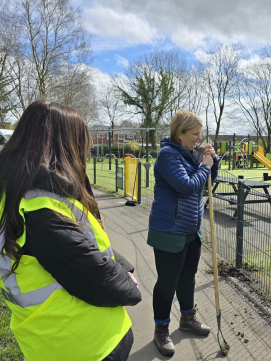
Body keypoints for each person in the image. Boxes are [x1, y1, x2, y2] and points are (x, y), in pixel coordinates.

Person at [0, 100, 141, 361]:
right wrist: (131, 287)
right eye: (81, 143)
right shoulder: (44, 210)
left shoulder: (16, 195)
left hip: (47, 338)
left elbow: (81, 247)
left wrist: (123, 265)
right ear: (64, 147)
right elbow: (94, 277)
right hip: (88, 344)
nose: (85, 153)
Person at [147, 110, 220, 356]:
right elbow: (187, 186)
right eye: (195, 134)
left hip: (190, 229)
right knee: (168, 282)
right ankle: (161, 330)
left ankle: (187, 319)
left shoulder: (189, 155)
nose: (199, 138)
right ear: (180, 134)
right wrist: (205, 167)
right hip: (169, 230)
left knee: (188, 276)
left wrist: (212, 162)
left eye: (200, 134)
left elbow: (207, 183)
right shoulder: (168, 155)